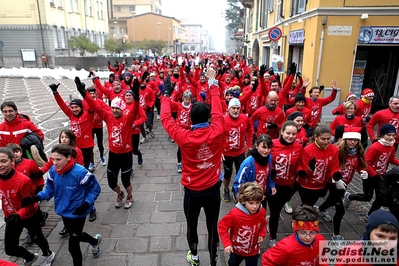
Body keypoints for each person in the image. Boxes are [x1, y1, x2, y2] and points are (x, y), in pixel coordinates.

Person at [161, 69, 223, 266]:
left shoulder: (184, 137)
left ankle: (194, 257)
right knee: (212, 226)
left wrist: (165, 96)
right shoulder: (217, 130)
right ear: (209, 118)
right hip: (213, 190)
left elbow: (165, 119)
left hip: (192, 192)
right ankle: (213, 259)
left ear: (191, 120)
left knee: (192, 225)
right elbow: (218, 110)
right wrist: (213, 84)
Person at [21, 144, 101, 266]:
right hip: (63, 211)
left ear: (68, 157)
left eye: (58, 159)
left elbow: (95, 189)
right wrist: (36, 197)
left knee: (73, 247)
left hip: (78, 213)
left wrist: (86, 203)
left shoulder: (81, 172)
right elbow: (50, 190)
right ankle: (94, 241)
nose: (55, 163)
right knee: (77, 235)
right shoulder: (53, 171)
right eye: (53, 159)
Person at [75, 77, 139, 210]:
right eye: (113, 108)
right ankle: (120, 193)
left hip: (126, 154)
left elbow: (135, 107)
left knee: (126, 180)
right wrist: (83, 93)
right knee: (111, 182)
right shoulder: (108, 116)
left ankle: (129, 196)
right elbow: (94, 106)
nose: (114, 110)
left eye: (117, 108)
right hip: (114, 155)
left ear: (122, 109)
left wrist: (136, 93)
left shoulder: (128, 118)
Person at [0, 147, 54, 266]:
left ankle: (48, 254)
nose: (0, 165)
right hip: (11, 216)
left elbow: (30, 204)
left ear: (12, 161)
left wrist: (19, 215)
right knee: (9, 249)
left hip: (29, 216)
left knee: (37, 238)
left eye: (4, 161)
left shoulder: (23, 181)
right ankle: (29, 257)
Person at [318, 127, 367, 243]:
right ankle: (336, 235)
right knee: (340, 210)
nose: (352, 142)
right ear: (345, 139)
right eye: (349, 139)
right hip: (333, 182)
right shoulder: (337, 150)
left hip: (345, 183)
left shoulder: (358, 151)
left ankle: (319, 210)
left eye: (355, 140)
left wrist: (362, 172)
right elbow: (329, 166)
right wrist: (335, 180)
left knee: (331, 200)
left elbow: (360, 165)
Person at [345, 124, 399, 217]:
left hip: (381, 176)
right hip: (370, 176)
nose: (391, 137)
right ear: (382, 135)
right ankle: (349, 196)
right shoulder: (375, 147)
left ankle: (370, 215)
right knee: (367, 197)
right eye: (388, 135)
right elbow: (366, 163)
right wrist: (374, 174)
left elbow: (391, 159)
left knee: (380, 197)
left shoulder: (391, 146)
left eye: (393, 135)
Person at [268, 121, 303, 247]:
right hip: (274, 185)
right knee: (275, 212)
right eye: (288, 133)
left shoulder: (298, 147)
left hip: (289, 185)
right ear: (281, 132)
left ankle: (272, 218)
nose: (290, 136)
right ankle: (273, 236)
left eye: (294, 134)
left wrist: (301, 171)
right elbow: (264, 158)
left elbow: (299, 163)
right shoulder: (272, 144)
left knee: (283, 203)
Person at [297, 124, 342, 221]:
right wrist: (310, 168)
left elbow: (334, 167)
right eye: (323, 139)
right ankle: (300, 221)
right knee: (306, 205)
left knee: (310, 204)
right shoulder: (308, 149)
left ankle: (303, 220)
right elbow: (305, 172)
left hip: (321, 185)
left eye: (328, 139)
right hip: (306, 185)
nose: (326, 142)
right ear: (315, 137)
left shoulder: (333, 149)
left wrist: (335, 174)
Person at [218, 182, 266, 266]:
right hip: (236, 251)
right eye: (251, 203)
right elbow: (222, 227)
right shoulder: (234, 214)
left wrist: (262, 234)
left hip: (253, 251)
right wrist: (227, 244)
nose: (255, 206)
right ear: (243, 201)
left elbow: (263, 224)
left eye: (257, 202)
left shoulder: (261, 211)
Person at [261, 205, 327, 266]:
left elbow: (323, 260)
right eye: (303, 232)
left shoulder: (321, 240)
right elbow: (267, 260)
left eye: (312, 232)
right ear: (296, 230)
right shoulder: (286, 247)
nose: (308, 237)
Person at [49, 83, 94, 170]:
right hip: (73, 146)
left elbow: (92, 105)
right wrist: (55, 92)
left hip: (86, 147)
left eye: (76, 107)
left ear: (81, 107)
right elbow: (62, 105)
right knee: (72, 168)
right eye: (72, 107)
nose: (74, 109)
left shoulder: (88, 115)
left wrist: (83, 92)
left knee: (83, 168)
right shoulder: (71, 114)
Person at [222, 98, 253, 202]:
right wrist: (219, 152)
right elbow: (217, 137)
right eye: (233, 108)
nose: (235, 111)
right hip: (227, 153)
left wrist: (249, 145)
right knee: (228, 174)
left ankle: (237, 190)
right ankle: (226, 189)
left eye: (237, 108)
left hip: (240, 152)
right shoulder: (223, 120)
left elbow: (249, 131)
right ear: (229, 109)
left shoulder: (245, 118)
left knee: (241, 174)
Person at [233, 134, 276, 204]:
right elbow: (238, 184)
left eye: (269, 148)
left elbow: (269, 176)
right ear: (256, 146)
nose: (266, 151)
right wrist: (242, 199)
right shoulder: (248, 163)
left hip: (262, 196)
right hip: (250, 199)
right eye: (263, 147)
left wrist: (272, 186)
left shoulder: (269, 158)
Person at [0, 101, 46, 166]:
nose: (8, 114)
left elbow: (40, 136)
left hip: (25, 161)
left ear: (16, 111)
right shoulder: (1, 128)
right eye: (5, 111)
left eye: (10, 111)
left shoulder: (27, 124)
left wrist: (32, 145)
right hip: (9, 162)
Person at [87, 87, 109, 169]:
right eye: (90, 94)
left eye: (93, 93)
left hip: (99, 125)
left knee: (100, 143)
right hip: (90, 127)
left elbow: (106, 110)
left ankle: (101, 156)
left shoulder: (100, 102)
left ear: (96, 93)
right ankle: (91, 162)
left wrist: (100, 117)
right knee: (90, 145)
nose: (92, 95)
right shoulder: (86, 102)